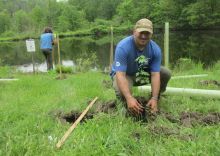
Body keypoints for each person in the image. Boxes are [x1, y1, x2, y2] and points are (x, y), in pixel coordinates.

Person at [110, 18, 171, 116]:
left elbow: (155, 74)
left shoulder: (155, 49)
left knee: (165, 73)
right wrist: (129, 98)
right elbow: (120, 75)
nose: (143, 36)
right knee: (123, 94)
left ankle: (154, 100)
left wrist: (154, 98)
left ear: (151, 34)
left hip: (141, 74)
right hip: (125, 75)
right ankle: (123, 105)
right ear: (134, 32)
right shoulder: (123, 47)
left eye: (147, 33)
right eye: (141, 32)